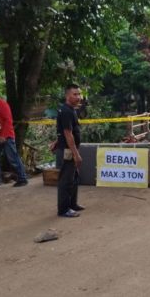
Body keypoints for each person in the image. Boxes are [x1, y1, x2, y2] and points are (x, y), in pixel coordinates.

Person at [55, 84, 84, 218]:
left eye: (79, 94)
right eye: (75, 94)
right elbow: (68, 133)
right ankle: (63, 209)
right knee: (66, 180)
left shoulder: (71, 110)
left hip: (69, 148)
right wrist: (76, 154)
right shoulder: (66, 111)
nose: (78, 97)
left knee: (74, 177)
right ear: (67, 96)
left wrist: (56, 141)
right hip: (68, 151)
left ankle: (72, 204)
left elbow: (62, 130)